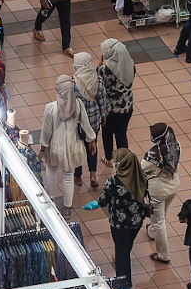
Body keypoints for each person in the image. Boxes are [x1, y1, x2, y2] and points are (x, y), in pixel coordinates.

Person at [39, 74, 94, 218]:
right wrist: (91, 140)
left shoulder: (51, 108)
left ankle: (50, 201)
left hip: (55, 146)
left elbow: (46, 131)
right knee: (68, 176)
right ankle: (67, 208)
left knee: (51, 171)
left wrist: (42, 148)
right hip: (73, 146)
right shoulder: (78, 105)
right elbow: (86, 125)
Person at [97, 148, 149, 280]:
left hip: (119, 224)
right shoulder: (142, 177)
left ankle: (124, 283)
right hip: (137, 220)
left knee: (122, 252)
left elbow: (103, 201)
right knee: (126, 245)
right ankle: (122, 257)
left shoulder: (113, 183)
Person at [141, 123, 181, 264]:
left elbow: (141, 169)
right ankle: (152, 231)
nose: (150, 137)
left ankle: (163, 255)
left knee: (159, 222)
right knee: (162, 213)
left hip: (158, 190)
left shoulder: (153, 154)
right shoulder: (176, 146)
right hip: (173, 185)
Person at [72, 52, 108, 189]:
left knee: (78, 148)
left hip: (78, 123)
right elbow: (102, 101)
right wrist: (103, 116)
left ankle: (78, 176)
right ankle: (92, 175)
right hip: (93, 121)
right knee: (92, 146)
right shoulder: (97, 80)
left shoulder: (73, 82)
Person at [98, 38, 135, 166]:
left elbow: (98, 82)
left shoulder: (106, 70)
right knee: (121, 134)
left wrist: (99, 63)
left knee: (107, 133)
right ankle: (124, 161)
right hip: (127, 106)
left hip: (111, 109)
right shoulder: (130, 63)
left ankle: (108, 158)